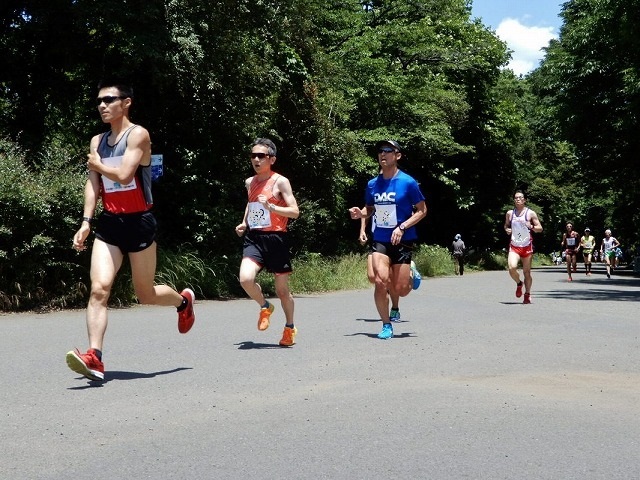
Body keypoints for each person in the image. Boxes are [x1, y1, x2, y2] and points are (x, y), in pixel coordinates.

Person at [67, 81, 195, 381]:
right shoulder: (96, 142)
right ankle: (95, 357)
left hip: (140, 222)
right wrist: (86, 221)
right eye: (98, 100)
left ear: (126, 103)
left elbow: (124, 175)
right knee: (99, 288)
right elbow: (93, 184)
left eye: (109, 99)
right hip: (110, 223)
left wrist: (98, 164)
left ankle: (183, 302)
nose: (102, 105)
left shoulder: (138, 135)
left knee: (145, 294)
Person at [349, 140, 427, 339]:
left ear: (397, 155)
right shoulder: (372, 184)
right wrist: (361, 213)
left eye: (388, 151)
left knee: (400, 290)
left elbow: (422, 211)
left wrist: (402, 227)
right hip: (381, 239)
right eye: (380, 152)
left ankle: (411, 272)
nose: (383, 155)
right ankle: (386, 325)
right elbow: (370, 208)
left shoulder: (408, 182)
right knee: (380, 281)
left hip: (403, 238)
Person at [235, 138, 300, 346]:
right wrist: (244, 222)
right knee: (245, 279)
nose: (256, 159)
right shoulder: (249, 182)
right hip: (254, 237)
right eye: (253, 155)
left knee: (282, 291)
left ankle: (289, 327)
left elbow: (295, 212)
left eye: (261, 156)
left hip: (276, 238)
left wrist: (272, 207)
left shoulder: (280, 181)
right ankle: (265, 306)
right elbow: (251, 204)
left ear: (271, 159)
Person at [504, 190, 543, 304]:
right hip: (514, 245)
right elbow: (506, 225)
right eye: (516, 198)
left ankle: (527, 294)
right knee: (512, 267)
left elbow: (540, 228)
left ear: (525, 200)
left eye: (520, 197)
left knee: (527, 273)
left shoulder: (530, 213)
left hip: (526, 246)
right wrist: (507, 229)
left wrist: (531, 226)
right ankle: (519, 283)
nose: (518, 199)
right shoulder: (510, 213)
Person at [359, 216, 402, 322]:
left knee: (391, 280)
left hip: (392, 239)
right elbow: (365, 212)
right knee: (372, 277)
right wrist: (362, 230)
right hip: (375, 239)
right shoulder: (374, 200)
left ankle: (395, 309)